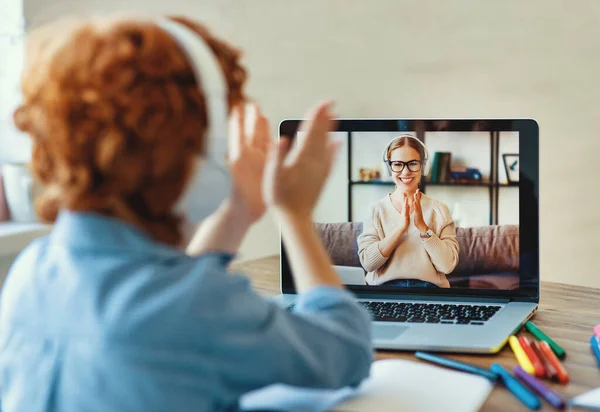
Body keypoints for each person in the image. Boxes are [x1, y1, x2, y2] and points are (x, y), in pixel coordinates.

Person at [0, 15, 372, 411]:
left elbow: (163, 293)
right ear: (201, 154)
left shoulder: (30, 272)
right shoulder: (193, 309)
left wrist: (239, 213)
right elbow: (345, 349)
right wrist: (294, 214)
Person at [357, 135, 459, 288]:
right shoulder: (376, 210)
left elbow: (447, 265)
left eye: (412, 163)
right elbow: (368, 264)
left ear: (423, 167)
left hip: (430, 291)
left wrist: (424, 229)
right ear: (388, 168)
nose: (405, 172)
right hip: (385, 291)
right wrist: (400, 229)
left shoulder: (439, 210)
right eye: (397, 164)